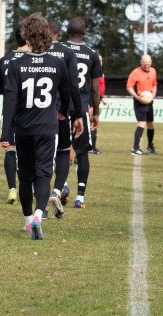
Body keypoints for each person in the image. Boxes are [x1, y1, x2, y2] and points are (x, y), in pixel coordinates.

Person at [0, 13, 82, 240]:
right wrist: (65, 113)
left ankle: (28, 222)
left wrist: (6, 133)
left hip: (23, 128)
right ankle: (39, 214)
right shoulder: (57, 63)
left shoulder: (16, 65)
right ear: (47, 35)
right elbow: (66, 94)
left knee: (25, 177)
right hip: (48, 127)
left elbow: (9, 102)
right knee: (44, 174)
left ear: (25, 35)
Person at [62, 17, 103, 209]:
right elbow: (95, 89)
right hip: (81, 110)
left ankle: (62, 185)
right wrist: (96, 113)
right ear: (84, 33)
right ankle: (80, 197)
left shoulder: (58, 50)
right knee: (83, 153)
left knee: (60, 150)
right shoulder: (92, 54)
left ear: (67, 32)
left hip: (60, 110)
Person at [45, 19, 83, 218]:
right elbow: (73, 86)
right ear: (59, 33)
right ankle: (58, 190)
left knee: (40, 157)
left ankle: (40, 205)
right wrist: (77, 113)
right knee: (63, 152)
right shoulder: (68, 53)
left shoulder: (34, 52)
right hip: (60, 112)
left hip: (36, 113)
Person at [0, 25, 29, 205]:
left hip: (9, 111)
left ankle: (12, 189)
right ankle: (27, 186)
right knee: (29, 150)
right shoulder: (33, 60)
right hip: (30, 112)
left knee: (10, 149)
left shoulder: (5, 60)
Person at [127, 55, 158, 155]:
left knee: (150, 124)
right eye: (145, 64)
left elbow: (154, 85)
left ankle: (150, 146)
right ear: (141, 62)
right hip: (139, 100)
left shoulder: (153, 71)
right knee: (142, 122)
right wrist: (137, 97)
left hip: (149, 101)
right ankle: (135, 148)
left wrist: (152, 95)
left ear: (151, 62)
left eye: (148, 64)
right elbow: (129, 87)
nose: (147, 66)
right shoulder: (135, 72)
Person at [90, 55, 106, 155]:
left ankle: (93, 147)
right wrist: (90, 104)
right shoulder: (92, 72)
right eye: (98, 60)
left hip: (97, 101)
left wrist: (102, 99)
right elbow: (92, 89)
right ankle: (91, 148)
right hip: (92, 102)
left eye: (101, 60)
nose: (99, 62)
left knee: (94, 124)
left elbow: (99, 89)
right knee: (92, 124)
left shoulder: (100, 73)